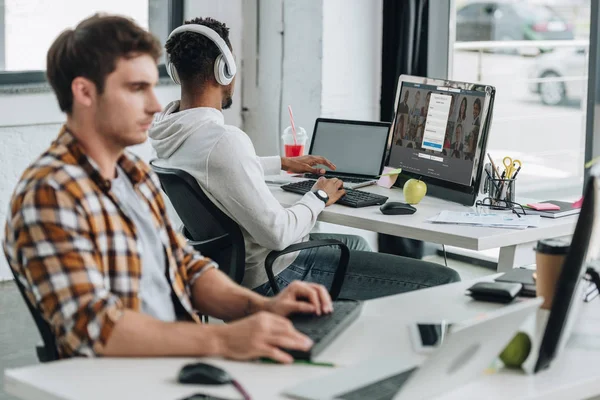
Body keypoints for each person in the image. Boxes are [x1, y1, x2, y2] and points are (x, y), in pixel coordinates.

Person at [2, 14, 336, 363]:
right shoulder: (50, 194)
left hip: (177, 361)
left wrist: (262, 306)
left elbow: (183, 265)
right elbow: (97, 328)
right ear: (85, 92)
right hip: (128, 381)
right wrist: (224, 339)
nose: (155, 105)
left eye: (152, 86)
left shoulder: (131, 174)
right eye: (136, 88)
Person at [149, 17, 460, 301]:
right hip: (275, 274)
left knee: (357, 245)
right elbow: (278, 232)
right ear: (225, 69)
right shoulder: (224, 141)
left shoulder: (171, 131)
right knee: (446, 278)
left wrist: (281, 163)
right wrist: (319, 195)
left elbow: (213, 169)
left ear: (176, 72)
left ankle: (338, 329)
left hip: (226, 269)